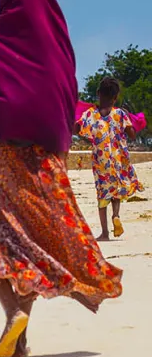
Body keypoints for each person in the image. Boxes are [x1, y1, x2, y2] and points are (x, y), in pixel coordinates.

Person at [0, 0, 123, 357]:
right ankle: (20, 335)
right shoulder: (59, 39)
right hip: (45, 159)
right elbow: (66, 95)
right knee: (36, 238)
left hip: (0, 152)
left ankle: (13, 312)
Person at [74, 77, 144, 241]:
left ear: (98, 93)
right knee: (116, 191)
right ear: (116, 97)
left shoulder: (90, 114)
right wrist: (130, 119)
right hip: (118, 158)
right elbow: (132, 135)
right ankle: (116, 215)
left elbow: (77, 128)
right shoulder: (119, 114)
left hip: (101, 160)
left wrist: (89, 138)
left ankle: (105, 233)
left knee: (102, 194)